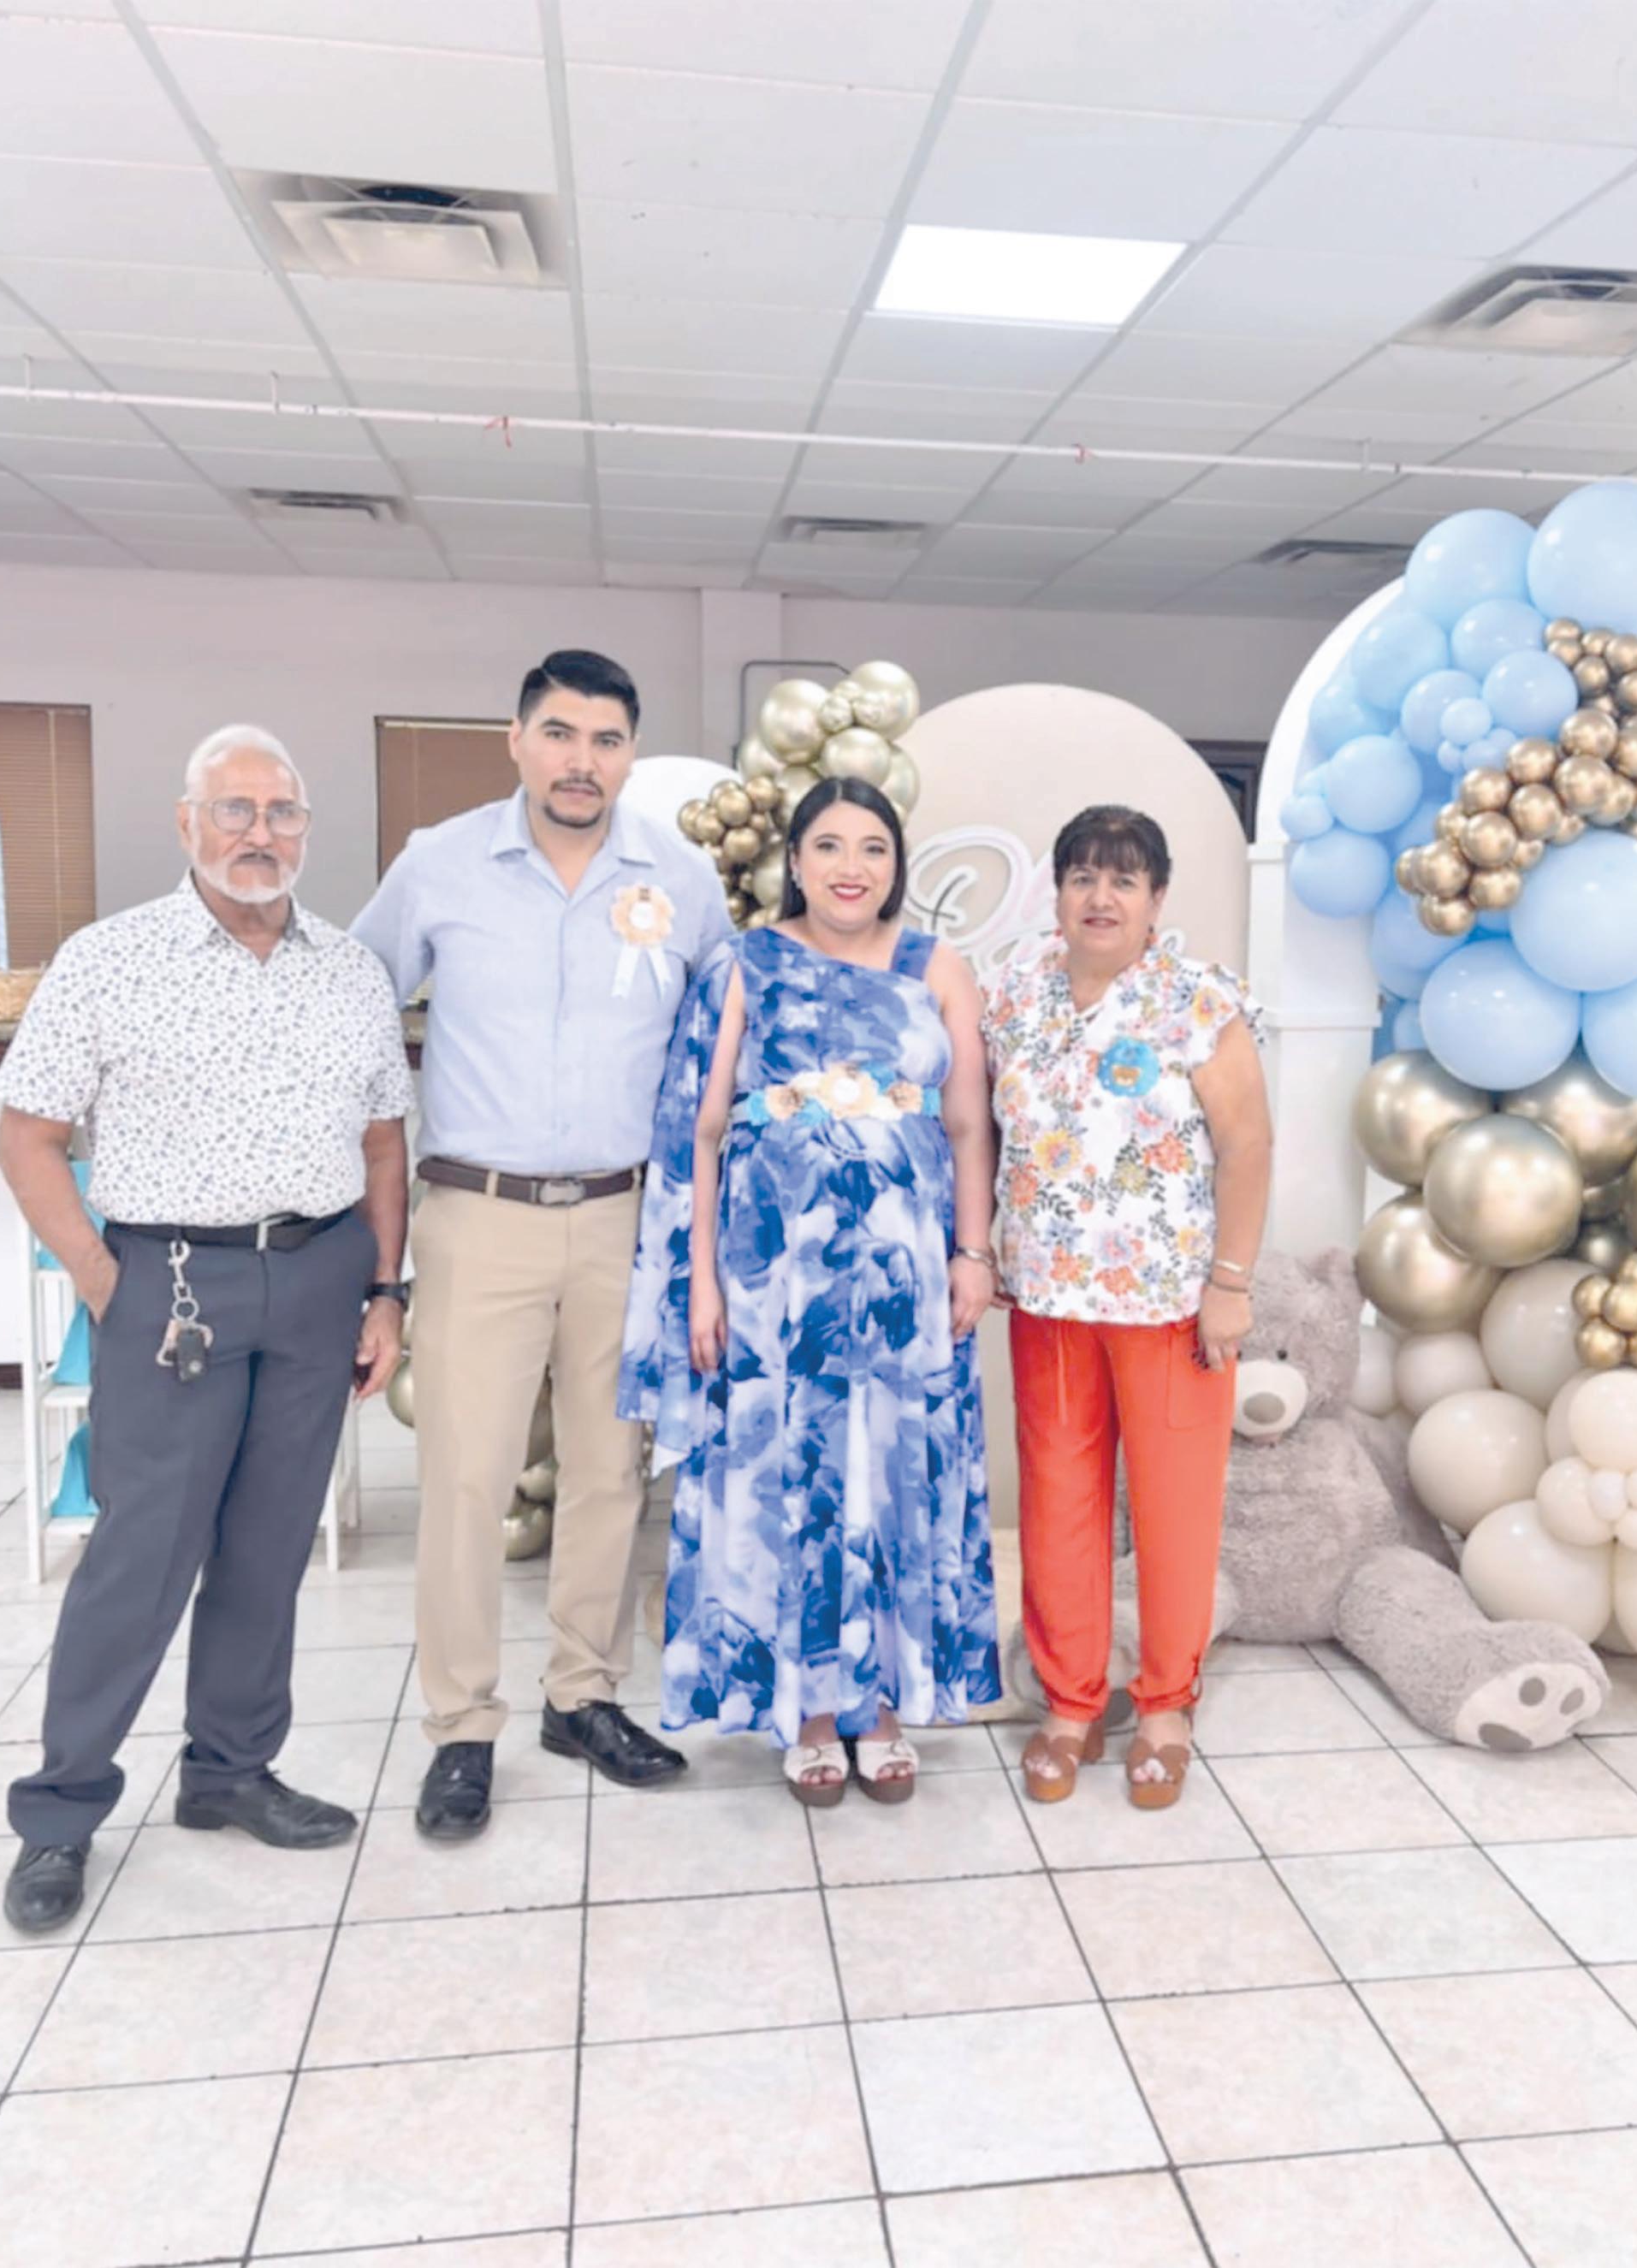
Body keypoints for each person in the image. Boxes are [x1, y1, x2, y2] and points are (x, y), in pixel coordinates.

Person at [0, 727, 413, 1933]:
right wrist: (99, 1277)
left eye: (282, 812)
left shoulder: (351, 971)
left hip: (319, 1277)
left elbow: (384, 1142)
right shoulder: (109, 959)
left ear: (305, 830)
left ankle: (229, 1770)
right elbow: (27, 1137)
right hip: (171, 1287)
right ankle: (61, 1810)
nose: (259, 833)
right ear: (187, 823)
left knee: (268, 1547)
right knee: (143, 1555)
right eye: (234, 809)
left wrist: (386, 1290)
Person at [354, 650, 730, 1840]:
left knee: (611, 1470)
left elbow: (727, 1042)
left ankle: (584, 1695)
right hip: (481, 1212)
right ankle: (462, 1725)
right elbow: (353, 1009)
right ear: (516, 739)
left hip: (627, 1216)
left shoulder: (681, 877)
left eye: (606, 739)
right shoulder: (441, 863)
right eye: (559, 733)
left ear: (631, 754)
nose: (582, 760)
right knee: (466, 1479)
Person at [619, 778, 1000, 1804]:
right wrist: (700, 1281)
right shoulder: (745, 962)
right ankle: (812, 1710)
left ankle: (882, 1703)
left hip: (906, 1285)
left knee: (892, 1473)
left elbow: (970, 1125)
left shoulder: (938, 967)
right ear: (793, 860)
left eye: (872, 846)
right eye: (828, 844)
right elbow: (699, 1132)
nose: (850, 866)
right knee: (793, 1476)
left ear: (897, 864)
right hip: (770, 1286)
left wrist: (973, 1253)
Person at [986, 805, 1269, 1810]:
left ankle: (1164, 1706)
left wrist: (1229, 1282)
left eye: (1123, 880)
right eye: (1082, 878)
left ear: (1156, 898)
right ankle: (1071, 1703)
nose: (1100, 897)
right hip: (1048, 1300)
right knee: (1057, 1503)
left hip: (1172, 1305)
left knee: (1173, 1510)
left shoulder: (1197, 998)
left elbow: (1247, 1145)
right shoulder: (1013, 992)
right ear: (1057, 892)